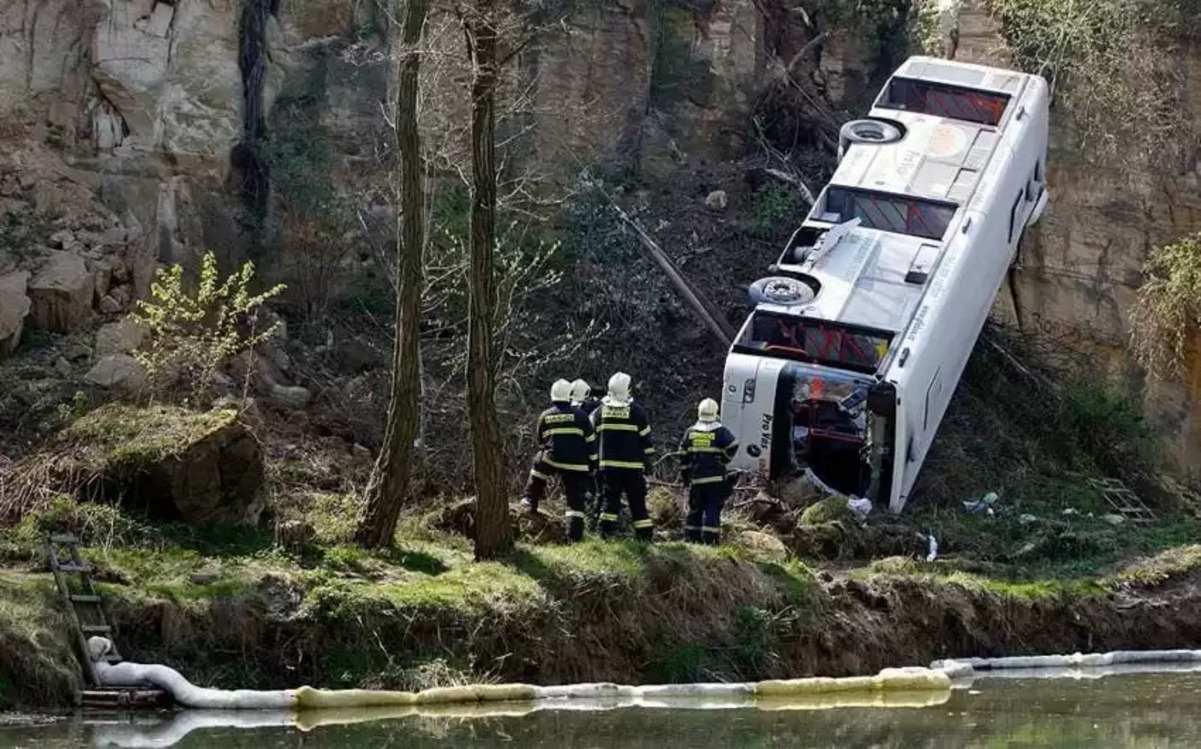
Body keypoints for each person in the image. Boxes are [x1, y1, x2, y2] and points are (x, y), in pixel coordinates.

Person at [520, 379, 597, 541]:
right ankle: (574, 537)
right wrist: (592, 465)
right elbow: (591, 445)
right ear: (570, 395)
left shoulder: (545, 416)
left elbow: (541, 442)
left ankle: (529, 500)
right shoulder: (582, 417)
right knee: (575, 502)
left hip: (552, 459)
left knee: (538, 466)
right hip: (578, 465)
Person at [591, 372, 655, 541]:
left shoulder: (600, 412)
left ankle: (605, 535)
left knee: (610, 500)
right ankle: (644, 538)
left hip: (608, 467)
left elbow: (590, 437)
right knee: (637, 502)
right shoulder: (637, 412)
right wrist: (648, 461)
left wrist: (593, 460)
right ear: (627, 390)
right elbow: (646, 440)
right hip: (632, 468)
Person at [678, 398, 738, 545]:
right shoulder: (720, 432)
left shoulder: (690, 432)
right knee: (712, 509)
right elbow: (734, 444)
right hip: (716, 480)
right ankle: (710, 541)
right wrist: (724, 459)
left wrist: (685, 477)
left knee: (695, 510)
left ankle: (692, 539)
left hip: (697, 480)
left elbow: (682, 456)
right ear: (715, 413)